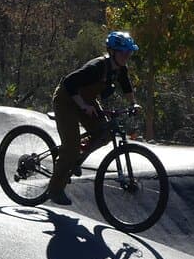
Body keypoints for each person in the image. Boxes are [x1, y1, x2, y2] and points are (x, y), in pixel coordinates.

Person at [47, 30, 139, 206]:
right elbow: (69, 83)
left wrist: (133, 104)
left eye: (129, 52)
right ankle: (55, 189)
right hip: (66, 100)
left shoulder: (120, 68)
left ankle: (74, 158)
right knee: (70, 147)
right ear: (112, 52)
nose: (127, 56)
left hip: (86, 102)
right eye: (124, 52)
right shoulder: (96, 67)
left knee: (103, 133)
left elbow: (126, 86)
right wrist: (83, 106)